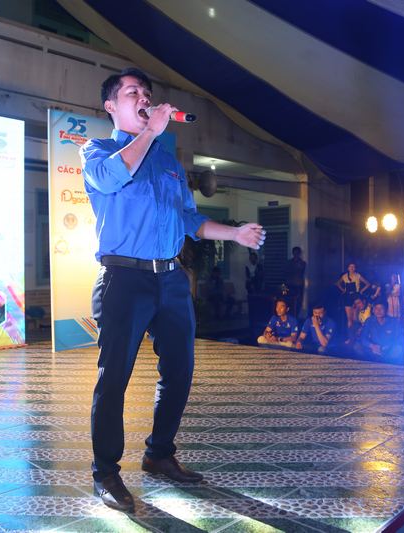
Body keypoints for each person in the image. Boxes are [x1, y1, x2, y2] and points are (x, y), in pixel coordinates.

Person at [80, 67, 265, 512]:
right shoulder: (98, 151)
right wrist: (151, 133)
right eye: (132, 92)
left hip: (170, 278)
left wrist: (235, 234)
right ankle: (106, 472)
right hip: (124, 278)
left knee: (179, 371)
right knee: (114, 378)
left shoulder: (167, 162)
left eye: (146, 92)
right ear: (111, 106)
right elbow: (112, 178)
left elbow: (188, 220)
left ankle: (159, 453)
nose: (143, 97)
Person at [335, 262, 370, 330]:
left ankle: (357, 333)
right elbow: (337, 283)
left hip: (356, 296)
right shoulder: (344, 276)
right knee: (349, 318)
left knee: (355, 318)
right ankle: (350, 335)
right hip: (347, 297)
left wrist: (361, 291)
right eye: (350, 266)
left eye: (353, 267)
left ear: (355, 268)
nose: (352, 268)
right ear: (348, 268)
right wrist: (343, 290)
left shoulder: (358, 275)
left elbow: (368, 284)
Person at [284, 246, 307, 317]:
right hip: (290, 285)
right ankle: (290, 316)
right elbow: (286, 273)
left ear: (299, 253)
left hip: (299, 285)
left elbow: (301, 271)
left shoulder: (302, 263)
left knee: (298, 302)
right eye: (295, 253)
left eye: (297, 253)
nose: (296, 254)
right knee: (289, 301)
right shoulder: (289, 263)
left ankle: (296, 316)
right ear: (293, 253)